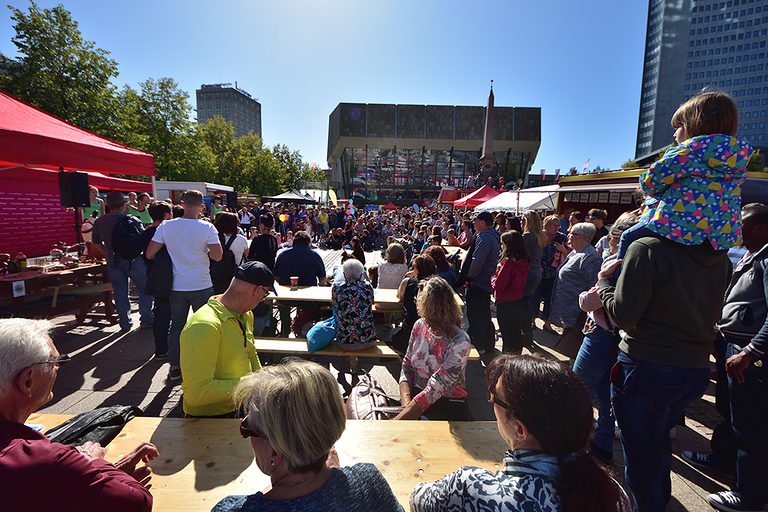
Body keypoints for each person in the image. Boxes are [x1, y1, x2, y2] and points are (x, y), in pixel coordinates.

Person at [597, 211, 731, 510]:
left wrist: (604, 283)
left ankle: (646, 503)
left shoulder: (646, 248)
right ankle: (655, 499)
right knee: (655, 446)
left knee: (643, 453)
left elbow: (624, 315)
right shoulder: (718, 256)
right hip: (693, 369)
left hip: (648, 365)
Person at [409, 353, 630, 512]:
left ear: (520, 429)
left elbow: (417, 499)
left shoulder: (472, 489)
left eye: (494, 398)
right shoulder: (614, 492)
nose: (491, 404)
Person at [0, 318, 158, 512]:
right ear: (28, 381)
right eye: (55, 362)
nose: (58, 368)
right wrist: (93, 463)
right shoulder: (51, 460)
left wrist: (94, 478)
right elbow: (139, 503)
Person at [211, 360, 404, 512]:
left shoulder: (233, 509)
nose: (247, 436)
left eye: (247, 429)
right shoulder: (369, 484)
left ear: (274, 452)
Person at [617, 91, 750, 260]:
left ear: (697, 123)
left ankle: (612, 279)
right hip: (719, 232)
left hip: (678, 224)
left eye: (678, 127)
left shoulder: (685, 153)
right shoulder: (737, 158)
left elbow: (651, 182)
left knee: (627, 236)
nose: (674, 134)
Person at [703, 202, 768, 512]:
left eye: (741, 222)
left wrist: (749, 352)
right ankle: (725, 460)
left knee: (750, 426)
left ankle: (749, 496)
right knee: (729, 414)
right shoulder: (750, 255)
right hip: (732, 348)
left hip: (750, 358)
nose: (735, 227)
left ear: (761, 227)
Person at [572, 216, 637, 465]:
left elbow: (589, 302)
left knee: (576, 388)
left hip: (601, 335)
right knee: (604, 391)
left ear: (617, 242)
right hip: (620, 339)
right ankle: (603, 443)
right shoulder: (644, 266)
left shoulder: (616, 267)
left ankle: (571, 441)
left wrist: (592, 288)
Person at [146, 190, 223, 383]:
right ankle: (205, 365)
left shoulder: (167, 226)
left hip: (177, 285)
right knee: (205, 326)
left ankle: (175, 366)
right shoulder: (207, 228)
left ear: (181, 204)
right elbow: (218, 256)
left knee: (177, 327)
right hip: (201, 283)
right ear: (202, 207)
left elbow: (150, 253)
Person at [180, 262, 271, 417]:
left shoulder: (245, 313)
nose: (263, 300)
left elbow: (250, 353)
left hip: (240, 405)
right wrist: (253, 384)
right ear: (257, 290)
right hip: (210, 418)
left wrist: (264, 383)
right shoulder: (204, 326)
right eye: (265, 294)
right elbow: (196, 395)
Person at [395, 276, 472, 421]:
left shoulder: (460, 342)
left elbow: (434, 388)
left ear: (427, 305)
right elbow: (407, 365)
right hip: (416, 399)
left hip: (447, 404)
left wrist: (399, 422)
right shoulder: (419, 325)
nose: (415, 301)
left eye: (418, 298)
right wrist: (405, 403)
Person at [92, 191, 153, 332]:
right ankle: (146, 318)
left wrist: (106, 251)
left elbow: (95, 242)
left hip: (113, 260)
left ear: (107, 204)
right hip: (133, 260)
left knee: (119, 291)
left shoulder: (100, 222)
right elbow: (143, 238)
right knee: (145, 288)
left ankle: (125, 323)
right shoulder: (131, 220)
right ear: (124, 204)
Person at [458, 211, 501, 355]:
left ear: (482, 222)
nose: (473, 223)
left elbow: (477, 262)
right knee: (483, 313)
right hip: (483, 281)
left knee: (476, 314)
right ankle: (486, 343)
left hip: (478, 282)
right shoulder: (491, 235)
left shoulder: (484, 237)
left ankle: (480, 343)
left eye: (475, 220)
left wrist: (469, 277)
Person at [549, 222, 600, 335]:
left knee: (570, 347)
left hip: (575, 315)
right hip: (567, 312)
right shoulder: (575, 252)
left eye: (571, 233)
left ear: (580, 237)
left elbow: (593, 286)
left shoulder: (590, 257)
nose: (568, 236)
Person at [273, 231, 326, 336]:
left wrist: (284, 284)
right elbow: (322, 279)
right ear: (308, 242)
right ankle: (306, 329)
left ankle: (285, 328)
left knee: (284, 306)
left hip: (285, 296)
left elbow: (275, 275)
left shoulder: (283, 254)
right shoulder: (314, 255)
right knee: (314, 307)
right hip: (308, 298)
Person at [140, 201, 173, 359]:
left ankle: (160, 347)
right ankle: (163, 348)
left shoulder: (146, 232)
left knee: (160, 312)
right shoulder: (166, 232)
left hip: (152, 276)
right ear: (166, 214)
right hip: (167, 279)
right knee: (166, 314)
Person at [492, 231, 530, 354]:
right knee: (515, 334)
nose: (501, 247)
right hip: (518, 299)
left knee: (507, 336)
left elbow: (499, 285)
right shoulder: (524, 260)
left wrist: (492, 279)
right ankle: (516, 358)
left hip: (505, 302)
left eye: (502, 244)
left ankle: (507, 363)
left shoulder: (508, 263)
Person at [390, 254, 437, 355]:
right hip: (432, 334)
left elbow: (399, 296)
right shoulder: (438, 285)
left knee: (393, 333)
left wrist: (406, 277)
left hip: (409, 332)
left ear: (417, 269)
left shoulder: (408, 282)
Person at [532, 215, 568, 333]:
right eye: (554, 225)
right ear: (546, 225)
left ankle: (547, 323)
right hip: (538, 273)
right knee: (534, 298)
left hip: (552, 274)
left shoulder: (561, 238)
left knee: (549, 299)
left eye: (558, 225)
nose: (557, 227)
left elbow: (571, 254)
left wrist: (563, 250)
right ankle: (531, 321)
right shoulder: (538, 236)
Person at [332, 259, 376, 350]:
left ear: (344, 275)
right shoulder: (368, 286)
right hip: (368, 340)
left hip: (343, 341)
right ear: (361, 275)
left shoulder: (336, 288)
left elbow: (335, 303)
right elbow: (373, 301)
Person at [520, 210, 546, 345]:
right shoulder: (541, 236)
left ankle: (525, 334)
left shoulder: (527, 236)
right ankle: (527, 334)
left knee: (522, 304)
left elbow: (519, 254)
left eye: (523, 219)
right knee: (527, 303)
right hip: (536, 272)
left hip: (527, 272)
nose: (520, 222)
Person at [211, 212, 249, 294]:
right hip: (233, 279)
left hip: (214, 277)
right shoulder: (241, 240)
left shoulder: (213, 238)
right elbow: (246, 255)